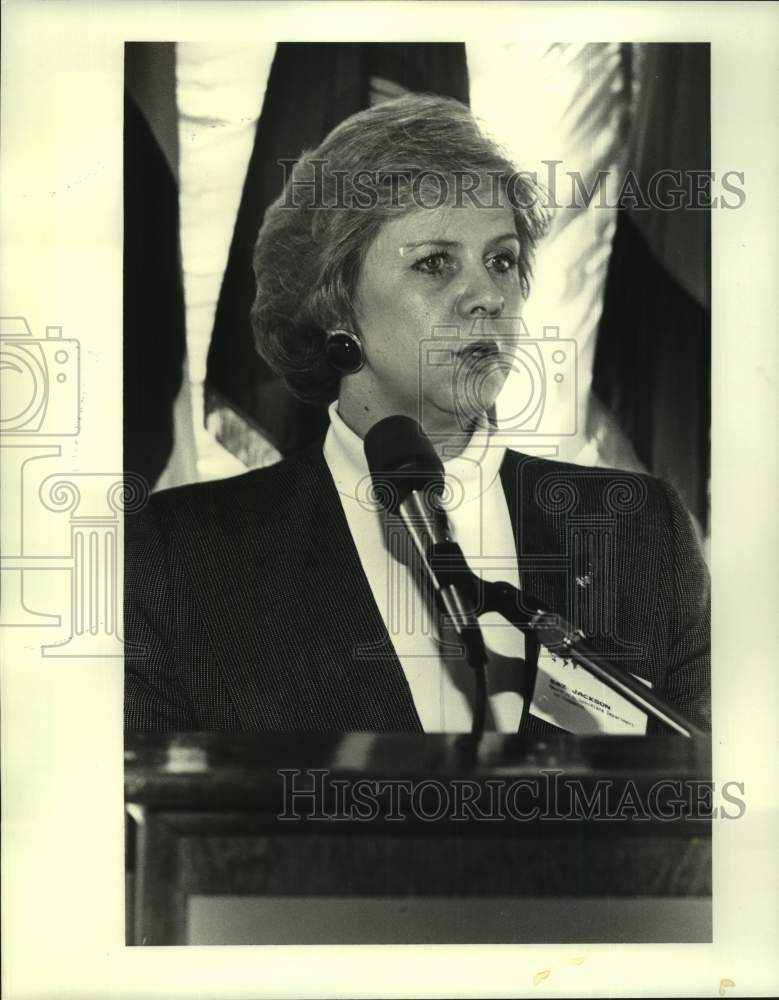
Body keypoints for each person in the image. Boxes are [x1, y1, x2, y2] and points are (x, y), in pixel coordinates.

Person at [124, 94, 710, 735]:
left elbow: (704, 806)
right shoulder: (183, 552)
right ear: (334, 306)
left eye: (502, 260)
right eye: (435, 263)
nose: (488, 295)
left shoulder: (641, 531)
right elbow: (144, 821)